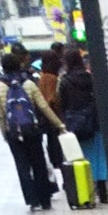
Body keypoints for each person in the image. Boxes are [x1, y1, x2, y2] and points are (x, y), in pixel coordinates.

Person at [0, 51, 61, 211]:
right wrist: (58, 124)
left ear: (3, 67)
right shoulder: (29, 84)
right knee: (39, 163)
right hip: (32, 130)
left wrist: (5, 133)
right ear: (19, 65)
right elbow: (43, 106)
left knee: (22, 166)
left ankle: (32, 200)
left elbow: (0, 116)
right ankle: (45, 199)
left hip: (14, 133)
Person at [56, 47, 104, 204]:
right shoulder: (90, 78)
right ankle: (103, 192)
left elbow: (62, 104)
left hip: (75, 124)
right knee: (99, 158)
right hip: (93, 122)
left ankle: (86, 193)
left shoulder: (65, 81)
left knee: (80, 158)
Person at [36, 49, 66, 200]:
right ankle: (67, 180)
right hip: (56, 120)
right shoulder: (52, 79)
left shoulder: (41, 78)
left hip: (47, 122)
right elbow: (52, 99)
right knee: (62, 152)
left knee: (54, 153)